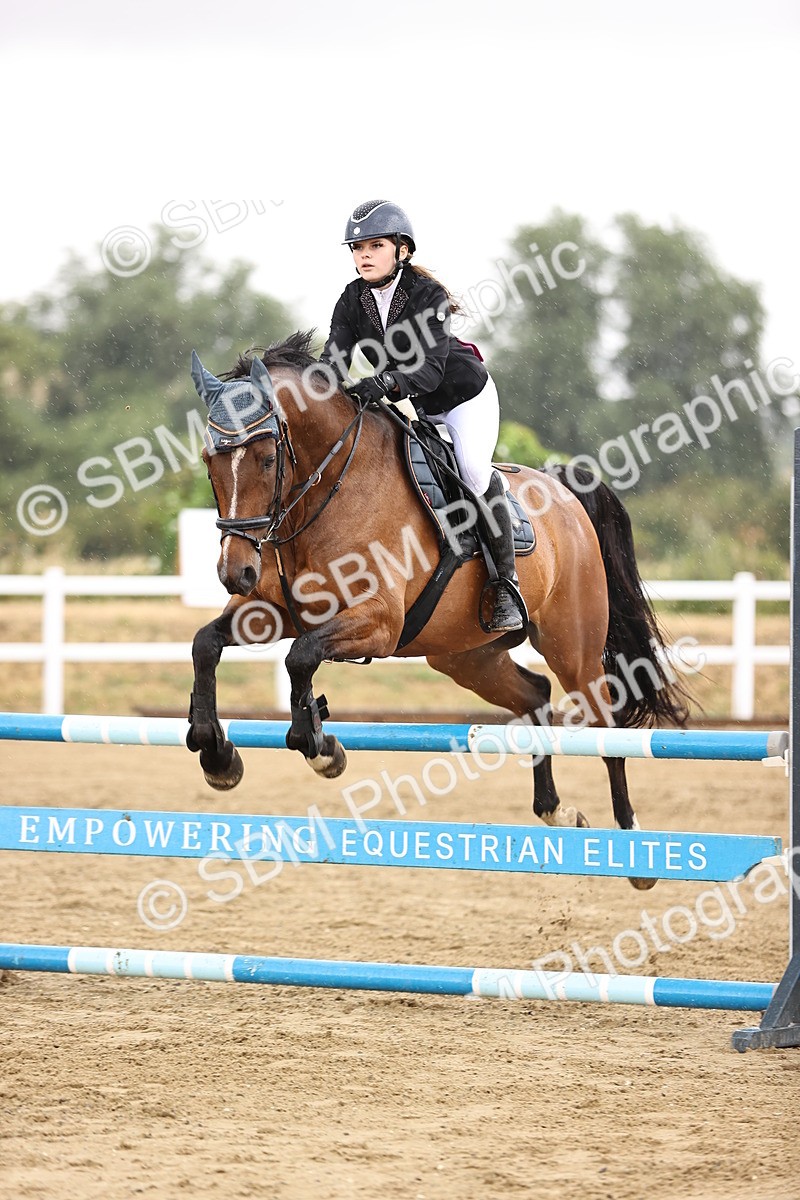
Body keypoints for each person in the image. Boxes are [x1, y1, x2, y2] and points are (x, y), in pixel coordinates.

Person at [320, 199, 524, 634]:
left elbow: (429, 371)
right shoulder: (352, 298)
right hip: (422, 405)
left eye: (375, 245)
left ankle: (506, 585)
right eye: (357, 248)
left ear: (403, 250)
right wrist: (308, 392)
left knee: (470, 469)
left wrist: (383, 384)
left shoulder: (426, 295)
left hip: (465, 396)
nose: (364, 255)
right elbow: (333, 361)